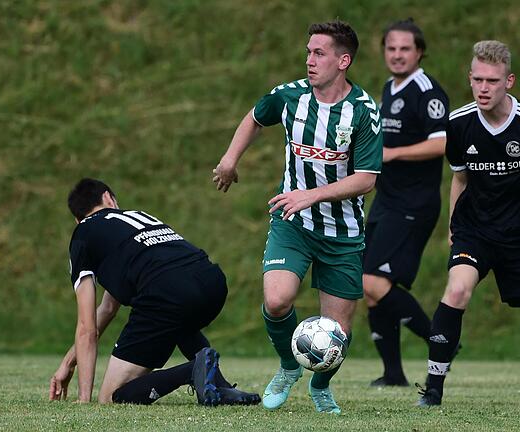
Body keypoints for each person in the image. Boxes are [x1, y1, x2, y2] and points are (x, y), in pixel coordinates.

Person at [212, 21, 382, 414]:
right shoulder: (290, 96)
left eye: (319, 53)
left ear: (343, 61)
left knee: (337, 332)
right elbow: (255, 116)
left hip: (343, 232)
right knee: (277, 300)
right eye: (308, 51)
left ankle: (321, 386)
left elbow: (367, 179)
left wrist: (313, 195)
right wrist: (229, 160)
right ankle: (288, 367)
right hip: (293, 223)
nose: (309, 60)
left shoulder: (363, 111)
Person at [418, 41, 520, 406]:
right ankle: (433, 388)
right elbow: (459, 180)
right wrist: (452, 228)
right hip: (474, 231)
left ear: (509, 81)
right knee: (457, 289)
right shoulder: (458, 124)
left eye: (491, 80)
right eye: (477, 79)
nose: (483, 88)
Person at [49, 178, 260, 406]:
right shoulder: (136, 218)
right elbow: (108, 308)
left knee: (111, 397)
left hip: (166, 292)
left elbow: (86, 327)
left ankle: (191, 371)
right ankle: (221, 387)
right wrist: (68, 363)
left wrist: (83, 399)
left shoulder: (83, 233)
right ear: (109, 198)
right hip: (211, 281)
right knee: (178, 320)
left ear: (78, 219)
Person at [363, 19, 451, 388]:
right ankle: (393, 374)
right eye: (391, 48)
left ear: (419, 52)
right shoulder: (389, 86)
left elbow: (443, 142)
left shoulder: (427, 91)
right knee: (369, 288)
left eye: (405, 49)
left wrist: (394, 153)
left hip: (414, 203)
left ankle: (441, 339)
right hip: (387, 200)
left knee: (370, 280)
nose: (397, 55)